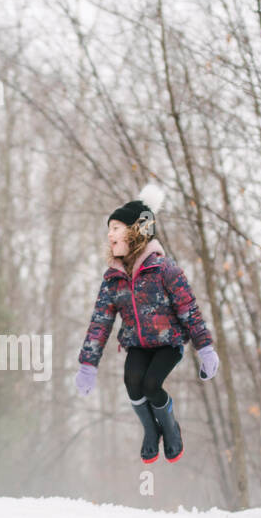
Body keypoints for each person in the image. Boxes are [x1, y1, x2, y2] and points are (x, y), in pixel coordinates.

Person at [75, 197, 218, 463]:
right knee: (133, 384)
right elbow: (100, 322)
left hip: (168, 343)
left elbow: (189, 309)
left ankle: (171, 428)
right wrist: (88, 364)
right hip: (138, 345)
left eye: (116, 228)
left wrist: (205, 349)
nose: (109, 234)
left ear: (136, 231)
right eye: (109, 229)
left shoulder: (164, 269)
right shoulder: (113, 278)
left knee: (152, 385)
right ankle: (151, 431)